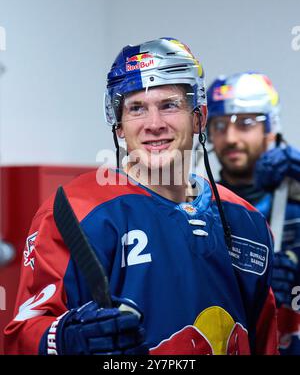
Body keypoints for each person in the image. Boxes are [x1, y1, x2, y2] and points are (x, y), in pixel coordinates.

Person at [4, 38, 278, 355]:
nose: (154, 124)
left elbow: (266, 338)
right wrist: (64, 338)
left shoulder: (246, 220)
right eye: (137, 108)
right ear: (118, 125)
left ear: (198, 117)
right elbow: (21, 335)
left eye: (169, 105)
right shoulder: (77, 211)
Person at [206, 71, 300, 355]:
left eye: (246, 123)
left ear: (270, 127)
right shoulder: (201, 209)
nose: (231, 137)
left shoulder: (293, 200)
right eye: (219, 126)